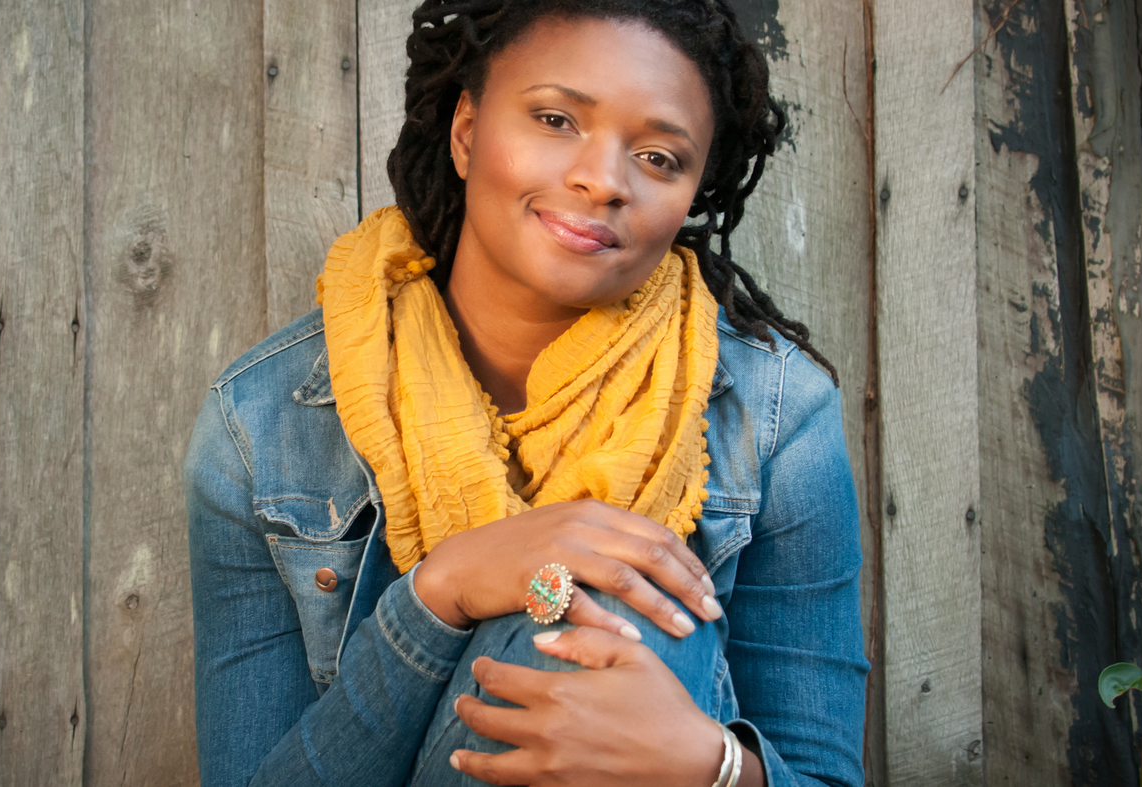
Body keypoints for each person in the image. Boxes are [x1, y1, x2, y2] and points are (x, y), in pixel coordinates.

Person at [185, 0, 868, 785]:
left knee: (620, 608)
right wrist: (440, 595)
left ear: (690, 194)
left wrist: (709, 765)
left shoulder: (778, 417)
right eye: (554, 119)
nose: (602, 180)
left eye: (658, 158)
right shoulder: (261, 425)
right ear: (467, 131)